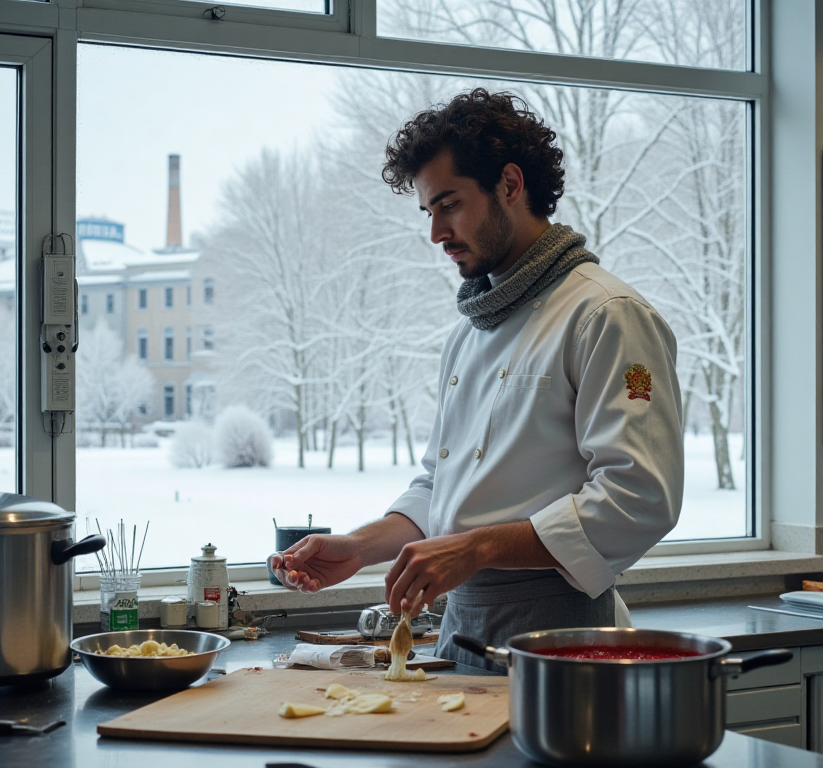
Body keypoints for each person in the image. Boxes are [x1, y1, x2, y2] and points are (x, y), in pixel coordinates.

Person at [268, 88, 684, 670]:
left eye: (449, 205)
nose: (436, 232)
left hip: (561, 634)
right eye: (428, 212)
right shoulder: (470, 333)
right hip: (461, 629)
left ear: (510, 185)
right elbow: (444, 487)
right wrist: (359, 548)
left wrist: (479, 547)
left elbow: (639, 499)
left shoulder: (607, 315)